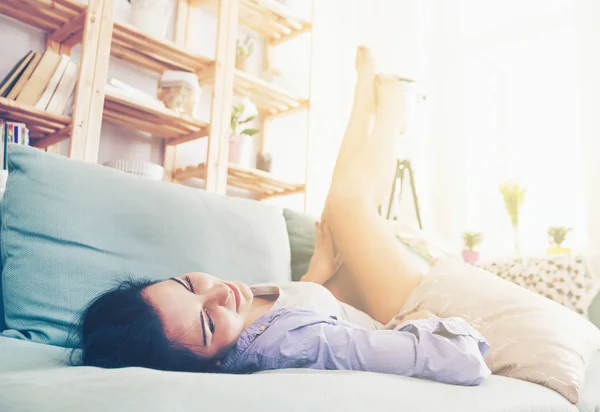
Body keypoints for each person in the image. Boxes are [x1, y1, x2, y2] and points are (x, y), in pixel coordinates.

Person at [75, 47, 491, 386]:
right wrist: (421, 323)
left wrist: (317, 271)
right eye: (206, 319)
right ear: (211, 367)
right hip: (401, 309)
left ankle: (369, 104)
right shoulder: (294, 347)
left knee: (337, 211)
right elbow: (458, 359)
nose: (217, 292)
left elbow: (296, 310)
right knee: (349, 206)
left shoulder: (238, 316)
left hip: (341, 295)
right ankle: (387, 112)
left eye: (187, 284)